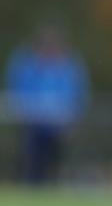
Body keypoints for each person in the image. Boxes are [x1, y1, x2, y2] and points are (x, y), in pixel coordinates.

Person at [5, 25, 89, 184]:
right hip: (33, 123)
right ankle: (32, 184)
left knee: (56, 161)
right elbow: (19, 91)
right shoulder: (27, 64)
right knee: (33, 160)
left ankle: (54, 184)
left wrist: (72, 116)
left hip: (58, 125)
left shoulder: (69, 66)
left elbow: (78, 94)